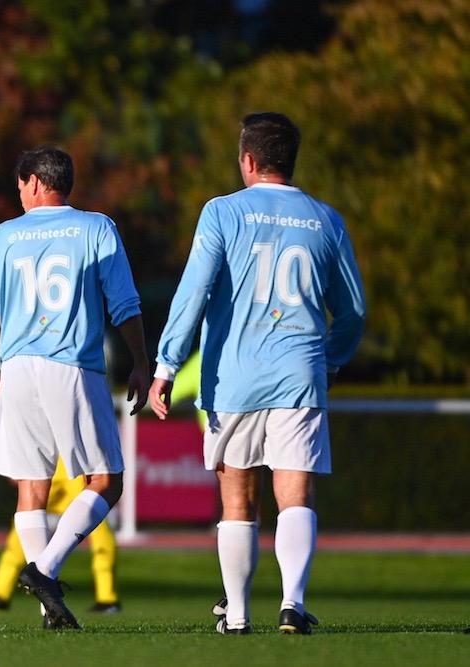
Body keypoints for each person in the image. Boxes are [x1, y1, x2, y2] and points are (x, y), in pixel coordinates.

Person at [148, 112, 366, 635]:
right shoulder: (325, 219)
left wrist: (166, 365)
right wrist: (331, 359)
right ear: (290, 160)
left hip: (233, 378)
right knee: (296, 493)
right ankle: (292, 603)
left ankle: (239, 616)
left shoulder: (222, 212)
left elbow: (193, 293)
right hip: (299, 374)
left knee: (238, 499)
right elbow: (353, 312)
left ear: (248, 160)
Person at [0, 146, 150, 630]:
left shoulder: (3, 235)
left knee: (32, 487)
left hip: (17, 368)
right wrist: (141, 360)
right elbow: (125, 302)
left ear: (33, 182)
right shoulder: (96, 227)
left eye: (20, 187)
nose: (20, 195)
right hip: (70, 365)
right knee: (105, 481)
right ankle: (44, 572)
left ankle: (47, 607)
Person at [0, 457, 121, 614]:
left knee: (99, 529)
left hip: (74, 466)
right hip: (48, 464)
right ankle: (0, 592)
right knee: (24, 524)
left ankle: (107, 597)